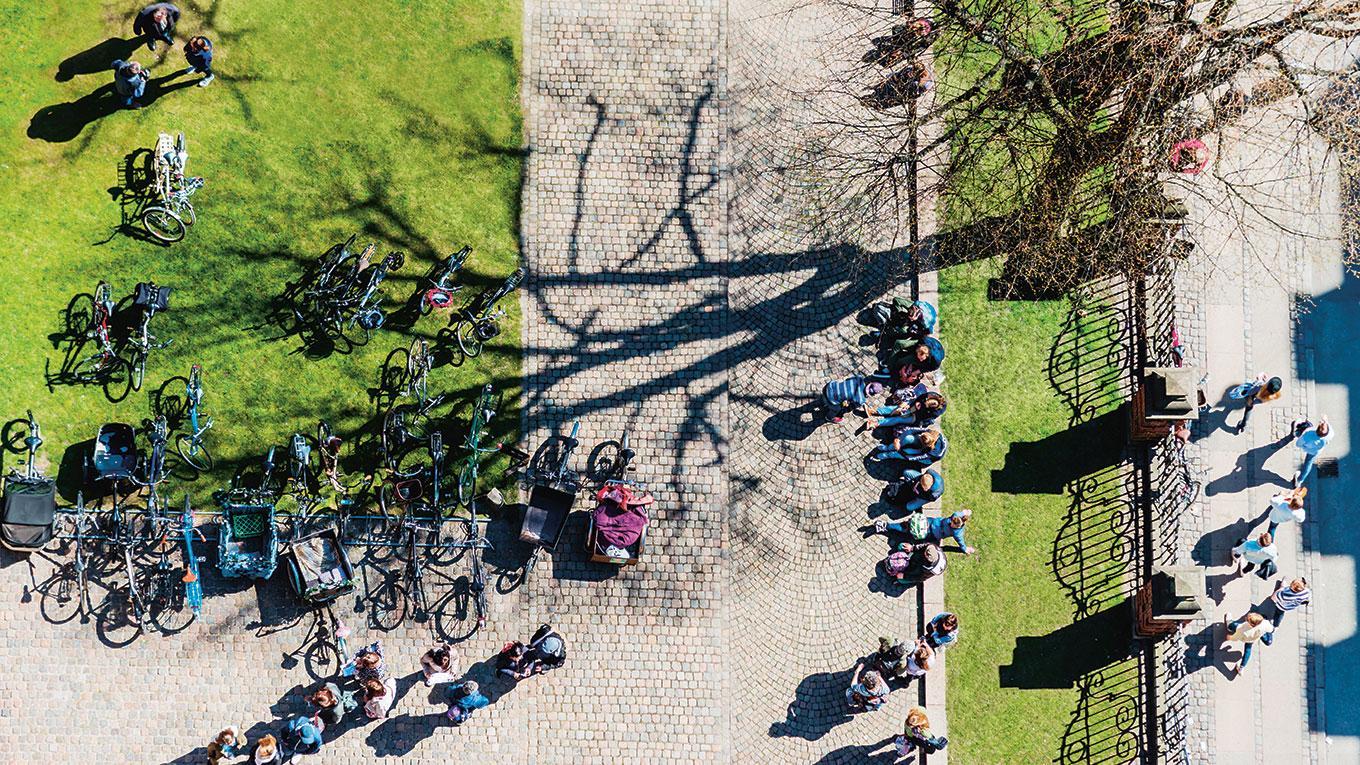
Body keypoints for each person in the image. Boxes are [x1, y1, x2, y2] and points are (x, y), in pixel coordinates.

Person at [875, 510, 975, 554]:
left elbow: (961, 543)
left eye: (952, 525)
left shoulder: (958, 534)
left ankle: (887, 528)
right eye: (951, 521)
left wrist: (965, 549)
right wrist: (966, 512)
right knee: (908, 527)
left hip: (931, 533)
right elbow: (962, 512)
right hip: (930, 524)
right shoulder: (955, 516)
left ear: (958, 526)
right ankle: (886, 526)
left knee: (911, 532)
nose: (950, 524)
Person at [870, 426, 948, 466]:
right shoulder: (931, 432)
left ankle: (887, 455)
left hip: (928, 459)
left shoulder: (932, 453)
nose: (919, 435)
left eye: (920, 438)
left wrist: (898, 450)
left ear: (924, 445)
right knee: (908, 438)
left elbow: (911, 458)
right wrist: (898, 439)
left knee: (907, 452)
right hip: (928, 444)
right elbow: (910, 430)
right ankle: (887, 448)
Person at [1292, 418, 1332, 487]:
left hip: (1308, 448)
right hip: (1315, 451)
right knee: (1308, 463)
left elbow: (1298, 444)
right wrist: (1326, 421)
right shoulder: (1329, 435)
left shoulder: (1309, 433)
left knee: (1304, 428)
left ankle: (1295, 432)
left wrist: (1304, 447)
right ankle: (1299, 481)